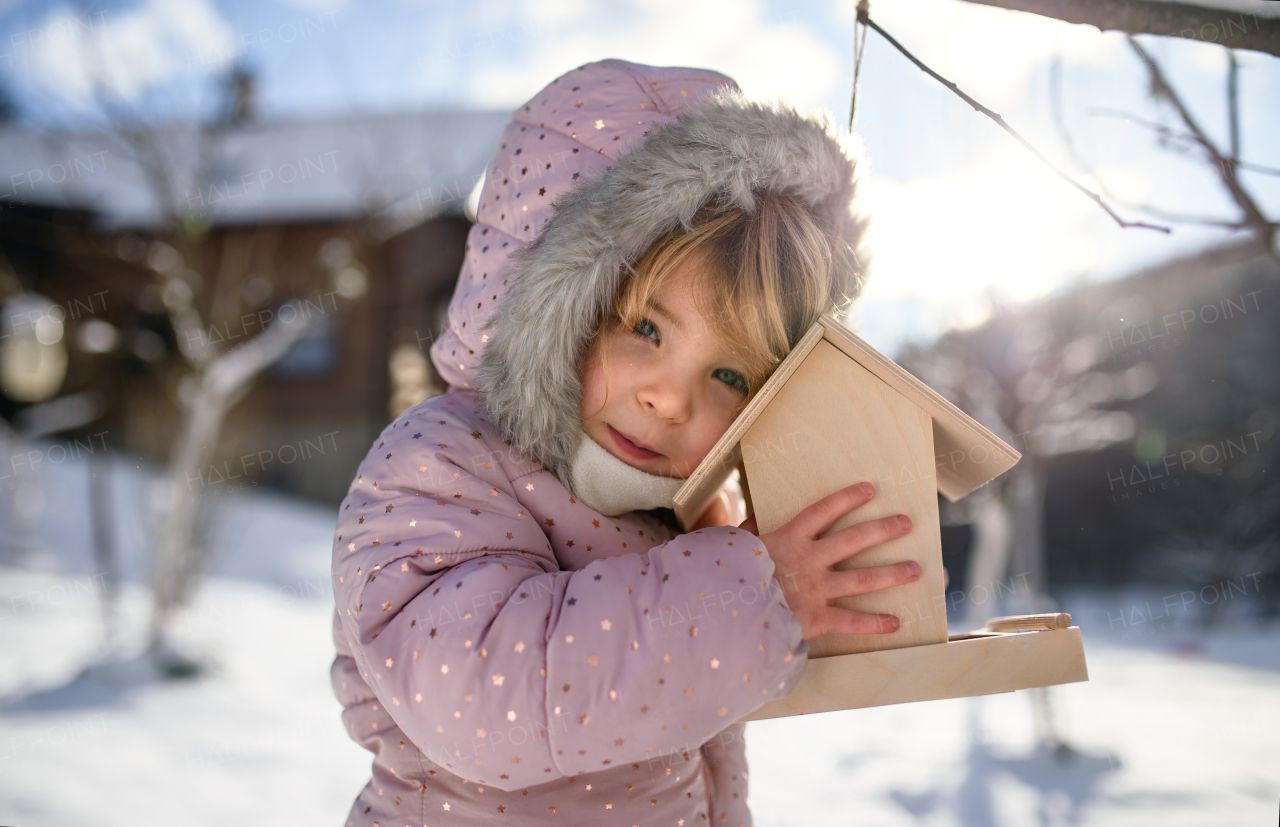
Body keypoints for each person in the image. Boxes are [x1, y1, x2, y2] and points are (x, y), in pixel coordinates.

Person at [330, 58, 921, 827]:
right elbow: (485, 700)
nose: (672, 399)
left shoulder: (689, 517)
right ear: (547, 300)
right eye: (644, 328)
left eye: (731, 376)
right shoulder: (441, 463)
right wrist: (753, 593)